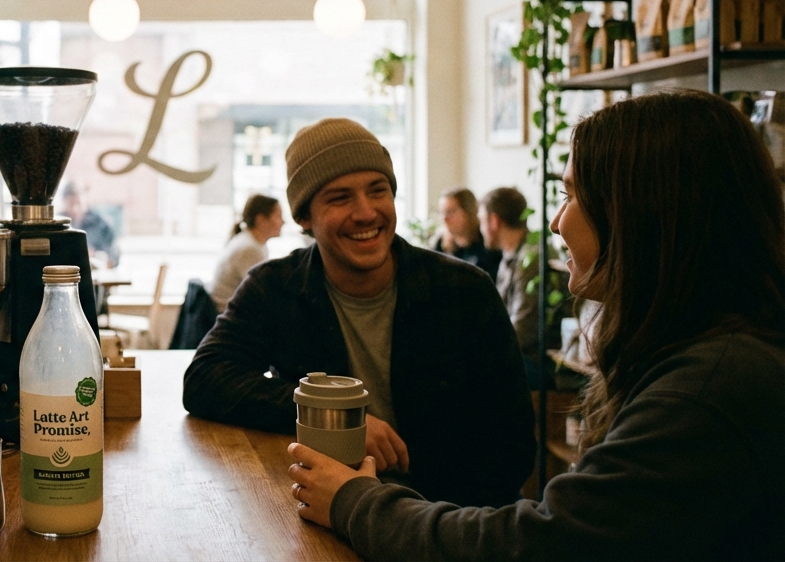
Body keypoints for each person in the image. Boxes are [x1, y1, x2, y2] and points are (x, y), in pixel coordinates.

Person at [292, 90, 785, 560]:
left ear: (639, 214)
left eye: (571, 197)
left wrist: (353, 500)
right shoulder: (706, 354)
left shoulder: (705, 391)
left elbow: (539, 546)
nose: (556, 223)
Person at [184, 118, 534, 509]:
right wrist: (333, 420)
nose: (366, 212)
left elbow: (512, 446)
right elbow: (204, 379)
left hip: (447, 520)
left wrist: (410, 525)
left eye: (378, 190)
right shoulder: (277, 288)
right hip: (328, 514)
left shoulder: (464, 291)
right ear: (304, 218)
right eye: (339, 198)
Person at [480, 186, 544, 386]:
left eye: (482, 220)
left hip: (537, 361)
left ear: (494, 221)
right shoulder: (509, 256)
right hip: (521, 355)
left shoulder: (531, 259)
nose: (480, 229)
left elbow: (522, 330)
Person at [208, 194, 284, 312]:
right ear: (261, 220)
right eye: (278, 216)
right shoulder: (250, 248)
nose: (283, 222)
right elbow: (262, 293)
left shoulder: (251, 241)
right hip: (227, 316)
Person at [434, 187, 501, 281]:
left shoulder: (488, 243)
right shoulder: (441, 244)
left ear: (469, 212)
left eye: (450, 212)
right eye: (442, 212)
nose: (444, 218)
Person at [61, 181, 120, 266]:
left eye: (78, 204)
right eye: (71, 204)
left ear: (86, 201)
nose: (75, 209)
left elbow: (114, 257)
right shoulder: (56, 226)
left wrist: (95, 256)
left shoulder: (102, 225)